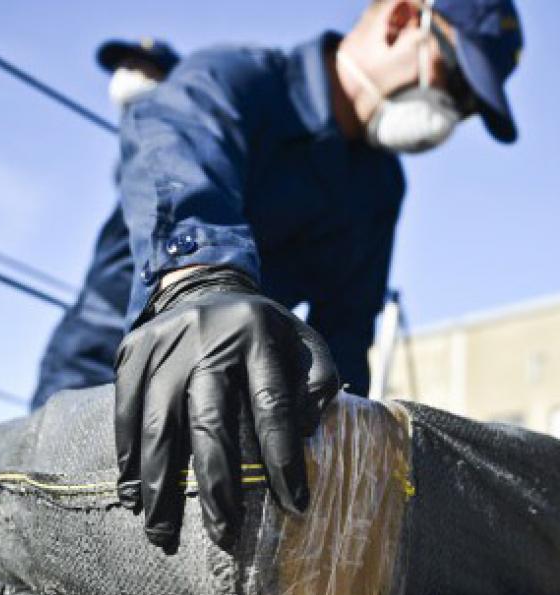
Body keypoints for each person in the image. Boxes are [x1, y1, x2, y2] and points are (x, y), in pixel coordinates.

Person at [34, 0, 524, 552]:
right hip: (104, 363)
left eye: (467, 110)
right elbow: (172, 144)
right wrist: (198, 278)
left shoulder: (377, 188)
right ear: (402, 18)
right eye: (455, 82)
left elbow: (346, 333)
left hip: (222, 387)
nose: (449, 114)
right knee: (74, 544)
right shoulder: (234, 80)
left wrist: (342, 460)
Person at [30, 37, 179, 409]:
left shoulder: (162, 126)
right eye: (120, 67)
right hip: (112, 321)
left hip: (107, 325)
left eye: (138, 67)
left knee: (61, 446)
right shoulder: (143, 135)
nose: (123, 76)